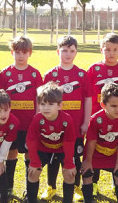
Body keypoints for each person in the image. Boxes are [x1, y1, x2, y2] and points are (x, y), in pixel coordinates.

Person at [42, 35, 92, 202]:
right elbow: (44, 102)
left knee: (75, 156)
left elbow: (87, 99)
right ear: (58, 52)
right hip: (54, 126)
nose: (68, 54)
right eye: (64, 50)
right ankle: (51, 186)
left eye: (71, 51)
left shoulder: (82, 74)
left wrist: (86, 122)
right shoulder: (50, 74)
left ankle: (76, 186)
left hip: (76, 125)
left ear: (76, 52)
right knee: (53, 156)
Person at [86, 33, 118, 195]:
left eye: (115, 49)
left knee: (115, 147)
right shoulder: (94, 69)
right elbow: (86, 94)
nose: (111, 53)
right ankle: (93, 183)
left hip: (117, 118)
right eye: (107, 49)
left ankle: (117, 181)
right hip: (96, 118)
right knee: (94, 149)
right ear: (101, 50)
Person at [0, 35, 43, 199]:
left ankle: (30, 190)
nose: (21, 55)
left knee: (30, 155)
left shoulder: (35, 74)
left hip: (30, 124)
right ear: (12, 53)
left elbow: (39, 101)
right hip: (10, 125)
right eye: (17, 52)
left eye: (24, 52)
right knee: (11, 154)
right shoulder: (5, 74)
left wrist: (38, 119)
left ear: (30, 53)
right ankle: (8, 188)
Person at [25, 82, 77, 203]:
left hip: (61, 150)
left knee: (69, 174)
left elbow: (69, 142)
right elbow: (31, 140)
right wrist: (34, 161)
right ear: (38, 105)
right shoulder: (37, 119)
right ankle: (31, 200)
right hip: (43, 149)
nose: (46, 108)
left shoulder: (67, 120)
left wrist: (69, 163)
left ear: (60, 105)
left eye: (51, 104)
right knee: (33, 172)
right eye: (43, 104)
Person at [80, 82, 118, 203]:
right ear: (103, 105)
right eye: (113, 106)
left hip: (113, 154)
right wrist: (88, 161)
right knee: (87, 174)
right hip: (95, 154)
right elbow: (91, 141)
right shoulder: (95, 120)